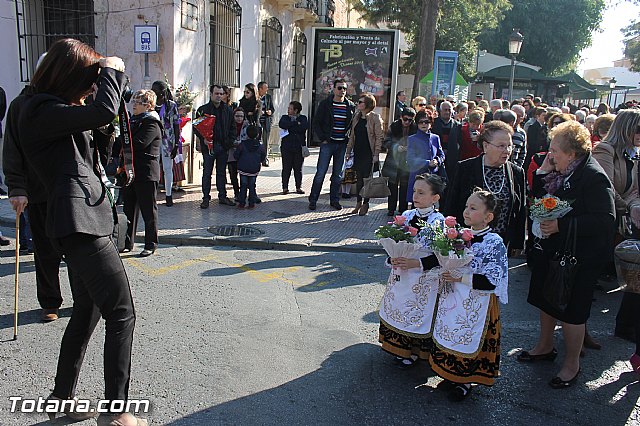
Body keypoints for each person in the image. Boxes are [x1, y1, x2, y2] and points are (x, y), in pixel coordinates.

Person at [13, 38, 144, 425]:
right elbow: (104, 106)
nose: (92, 84)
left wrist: (103, 118)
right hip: (77, 222)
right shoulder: (37, 109)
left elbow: (97, 143)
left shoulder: (58, 110)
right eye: (88, 77)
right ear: (68, 75)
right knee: (122, 314)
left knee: (87, 311)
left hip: (82, 219)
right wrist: (112, 71)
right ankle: (117, 414)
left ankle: (60, 398)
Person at [518, 121, 615, 389]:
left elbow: (605, 221)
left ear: (572, 153)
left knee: (573, 311)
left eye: (554, 150)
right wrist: (541, 175)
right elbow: (541, 204)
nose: (550, 155)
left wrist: (562, 225)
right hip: (553, 251)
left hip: (579, 258)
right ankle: (544, 346)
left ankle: (572, 364)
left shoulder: (593, 177)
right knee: (545, 299)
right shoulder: (561, 172)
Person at [430, 189, 508, 401]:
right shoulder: (457, 236)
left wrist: (460, 278)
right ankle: (451, 375)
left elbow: (492, 280)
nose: (466, 211)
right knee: (452, 331)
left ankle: (465, 381)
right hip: (455, 297)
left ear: (488, 216)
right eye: (466, 206)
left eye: (473, 208)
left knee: (469, 336)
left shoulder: (494, 242)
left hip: (478, 302)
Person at [4, 86, 65, 321]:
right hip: (39, 192)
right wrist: (17, 188)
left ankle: (85, 300)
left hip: (71, 192)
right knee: (45, 250)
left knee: (79, 251)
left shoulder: (69, 99)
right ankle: (50, 302)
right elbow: (12, 150)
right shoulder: (21, 105)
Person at [380, 174, 446, 366]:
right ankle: (399, 348)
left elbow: (442, 257)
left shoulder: (439, 222)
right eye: (414, 191)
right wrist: (391, 257)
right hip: (401, 275)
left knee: (418, 314)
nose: (415, 196)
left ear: (435, 198)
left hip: (422, 279)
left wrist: (417, 264)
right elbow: (394, 243)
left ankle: (415, 351)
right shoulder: (406, 216)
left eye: (421, 192)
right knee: (398, 309)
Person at [592, 110, 640, 341]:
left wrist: (634, 205)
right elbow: (606, 186)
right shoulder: (605, 149)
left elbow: (633, 190)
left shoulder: (632, 154)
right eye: (637, 129)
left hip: (622, 219)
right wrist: (629, 207)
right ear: (626, 128)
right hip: (602, 218)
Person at [445, 120, 526, 253]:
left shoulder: (516, 172)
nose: (507, 151)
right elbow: (451, 204)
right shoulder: (465, 168)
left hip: (501, 242)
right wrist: (450, 234)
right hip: (467, 241)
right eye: (501, 146)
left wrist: (518, 243)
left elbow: (520, 210)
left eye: (509, 146)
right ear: (486, 146)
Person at [122, 89, 163, 257]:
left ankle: (150, 244)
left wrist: (124, 143)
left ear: (148, 105)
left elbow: (139, 143)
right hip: (132, 172)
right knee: (129, 209)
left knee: (148, 210)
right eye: (134, 102)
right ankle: (126, 243)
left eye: (138, 103)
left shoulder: (152, 123)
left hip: (146, 173)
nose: (134, 106)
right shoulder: (133, 121)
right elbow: (124, 142)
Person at [309, 78, 355, 210]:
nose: (342, 91)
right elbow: (316, 122)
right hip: (328, 143)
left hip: (341, 144)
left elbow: (351, 125)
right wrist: (323, 138)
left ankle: (334, 200)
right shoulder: (325, 104)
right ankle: (313, 199)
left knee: (338, 175)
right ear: (334, 89)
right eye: (339, 88)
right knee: (321, 173)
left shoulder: (350, 105)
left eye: (344, 89)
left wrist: (348, 140)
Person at [195, 84, 236, 208]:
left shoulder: (228, 110)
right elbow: (196, 127)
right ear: (211, 94)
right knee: (207, 173)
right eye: (216, 93)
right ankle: (206, 198)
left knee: (221, 173)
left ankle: (222, 196)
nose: (219, 96)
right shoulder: (203, 110)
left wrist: (228, 144)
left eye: (221, 94)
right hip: (209, 147)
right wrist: (204, 139)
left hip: (223, 147)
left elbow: (232, 128)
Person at [344, 93, 384, 216]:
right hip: (358, 151)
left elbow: (379, 137)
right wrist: (348, 151)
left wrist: (376, 154)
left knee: (368, 179)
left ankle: (366, 204)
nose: (358, 104)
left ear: (367, 104)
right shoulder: (356, 116)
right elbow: (352, 136)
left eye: (361, 102)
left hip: (369, 152)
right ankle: (358, 202)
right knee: (359, 179)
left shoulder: (375, 118)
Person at [406, 110, 445, 207]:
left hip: (433, 177)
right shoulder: (412, 139)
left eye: (426, 122)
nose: (424, 124)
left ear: (431, 123)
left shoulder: (435, 138)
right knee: (418, 206)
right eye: (421, 122)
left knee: (432, 205)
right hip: (418, 176)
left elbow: (441, 154)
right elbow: (410, 159)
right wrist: (427, 163)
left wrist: (437, 160)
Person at [381, 107, 416, 216]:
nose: (407, 122)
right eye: (405, 119)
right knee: (392, 185)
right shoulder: (394, 126)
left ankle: (403, 209)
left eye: (410, 120)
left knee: (404, 186)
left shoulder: (414, 128)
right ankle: (391, 209)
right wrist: (396, 147)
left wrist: (409, 148)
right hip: (394, 160)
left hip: (407, 161)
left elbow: (418, 144)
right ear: (401, 117)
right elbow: (386, 142)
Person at [151, 80, 180, 207]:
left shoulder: (171, 106)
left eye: (156, 91)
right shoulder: (150, 104)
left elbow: (176, 124)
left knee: (167, 169)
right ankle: (153, 195)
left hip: (168, 141)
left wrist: (177, 145)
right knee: (153, 168)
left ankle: (168, 195)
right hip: (153, 141)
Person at [279, 101, 309, 195]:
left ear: (296, 110)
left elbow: (303, 128)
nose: (288, 110)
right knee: (286, 168)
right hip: (286, 147)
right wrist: (296, 123)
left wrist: (292, 125)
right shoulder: (285, 117)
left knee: (298, 168)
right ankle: (285, 187)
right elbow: (282, 125)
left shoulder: (303, 118)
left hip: (298, 147)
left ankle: (298, 187)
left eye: (290, 108)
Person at [234, 125, 266, 208]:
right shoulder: (260, 146)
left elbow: (236, 155)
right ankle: (251, 203)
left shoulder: (242, 144)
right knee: (252, 185)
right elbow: (263, 157)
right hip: (254, 169)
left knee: (243, 185)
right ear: (258, 135)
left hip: (243, 168)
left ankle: (242, 203)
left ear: (247, 134)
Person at [432, 100, 461, 184]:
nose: (447, 112)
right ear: (440, 111)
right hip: (436, 158)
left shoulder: (457, 125)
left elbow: (459, 142)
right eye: (445, 110)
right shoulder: (433, 123)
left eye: (449, 110)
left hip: (451, 160)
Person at [228, 107, 247, 202]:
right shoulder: (229, 125)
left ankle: (244, 193)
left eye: (241, 116)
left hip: (243, 154)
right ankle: (236, 193)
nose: (239, 118)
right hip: (232, 153)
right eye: (237, 116)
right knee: (233, 174)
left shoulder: (246, 126)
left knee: (244, 175)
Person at [258, 81, 274, 166]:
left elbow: (272, 108)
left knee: (265, 141)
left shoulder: (268, 97)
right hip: (257, 122)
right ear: (260, 89)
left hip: (266, 122)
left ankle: (265, 159)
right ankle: (257, 158)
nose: (267, 90)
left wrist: (270, 112)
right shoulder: (256, 97)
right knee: (257, 141)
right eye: (265, 88)